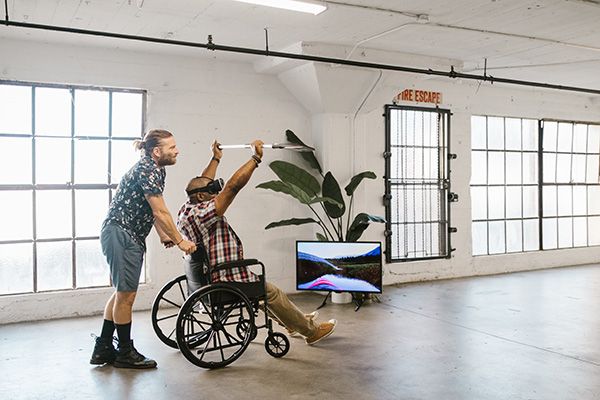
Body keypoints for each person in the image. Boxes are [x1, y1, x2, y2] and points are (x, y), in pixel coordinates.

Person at [176, 139, 337, 345]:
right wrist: (255, 158)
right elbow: (232, 187)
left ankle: (293, 322)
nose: (216, 192)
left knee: (263, 294)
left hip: (207, 277)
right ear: (200, 196)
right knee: (271, 292)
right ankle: (310, 331)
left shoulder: (186, 210)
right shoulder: (204, 213)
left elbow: (203, 181)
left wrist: (216, 158)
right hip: (226, 276)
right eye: (212, 190)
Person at [90, 129, 196, 369]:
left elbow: (150, 207)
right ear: (157, 151)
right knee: (126, 296)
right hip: (122, 234)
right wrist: (180, 240)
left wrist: (162, 234)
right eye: (172, 147)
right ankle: (125, 353)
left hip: (123, 234)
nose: (177, 150)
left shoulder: (156, 168)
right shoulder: (148, 169)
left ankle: (104, 347)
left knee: (121, 293)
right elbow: (160, 210)